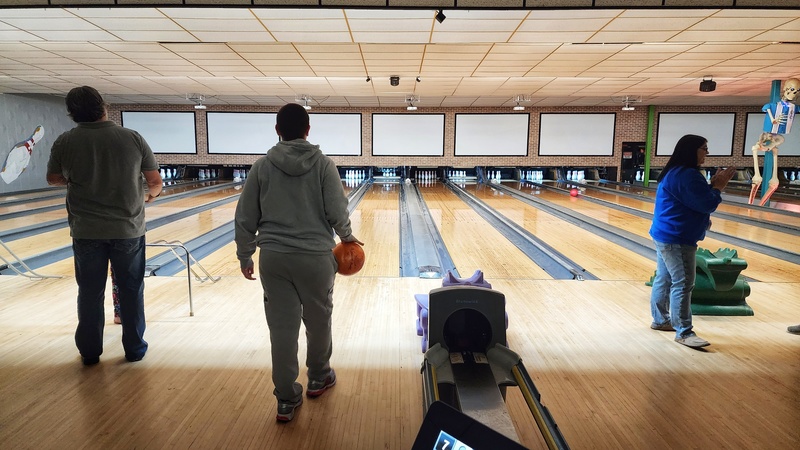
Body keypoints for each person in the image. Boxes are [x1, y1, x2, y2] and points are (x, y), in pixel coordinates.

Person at [234, 103, 362, 423]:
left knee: (282, 329)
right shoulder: (324, 165)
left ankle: (286, 399)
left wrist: (244, 254)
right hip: (316, 258)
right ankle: (319, 376)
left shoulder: (262, 166)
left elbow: (246, 216)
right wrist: (348, 238)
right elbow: (337, 210)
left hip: (274, 259)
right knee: (318, 321)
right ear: (308, 130)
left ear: (277, 130)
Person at [46, 86, 162, 366]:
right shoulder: (132, 137)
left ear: (72, 114)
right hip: (128, 229)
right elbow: (155, 181)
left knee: (89, 291)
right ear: (103, 107)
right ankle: (134, 349)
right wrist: (148, 194)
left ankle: (89, 352)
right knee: (131, 289)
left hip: (87, 231)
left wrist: (74, 180)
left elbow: (53, 178)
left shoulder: (65, 141)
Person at [648, 134, 735, 349]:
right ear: (691, 150)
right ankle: (684, 332)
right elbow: (706, 204)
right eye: (704, 148)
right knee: (684, 282)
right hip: (677, 237)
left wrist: (710, 190)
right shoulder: (687, 175)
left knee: (665, 278)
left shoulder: (675, 172)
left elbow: (689, 202)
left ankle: (661, 320)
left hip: (665, 233)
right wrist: (718, 187)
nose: (707, 152)